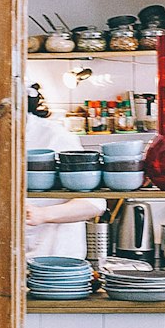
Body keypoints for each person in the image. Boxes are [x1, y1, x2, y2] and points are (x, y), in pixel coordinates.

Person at [26, 88, 106, 259]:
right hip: (1, 259)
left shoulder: (55, 136)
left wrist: (43, 214)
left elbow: (94, 203)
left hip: (57, 259)